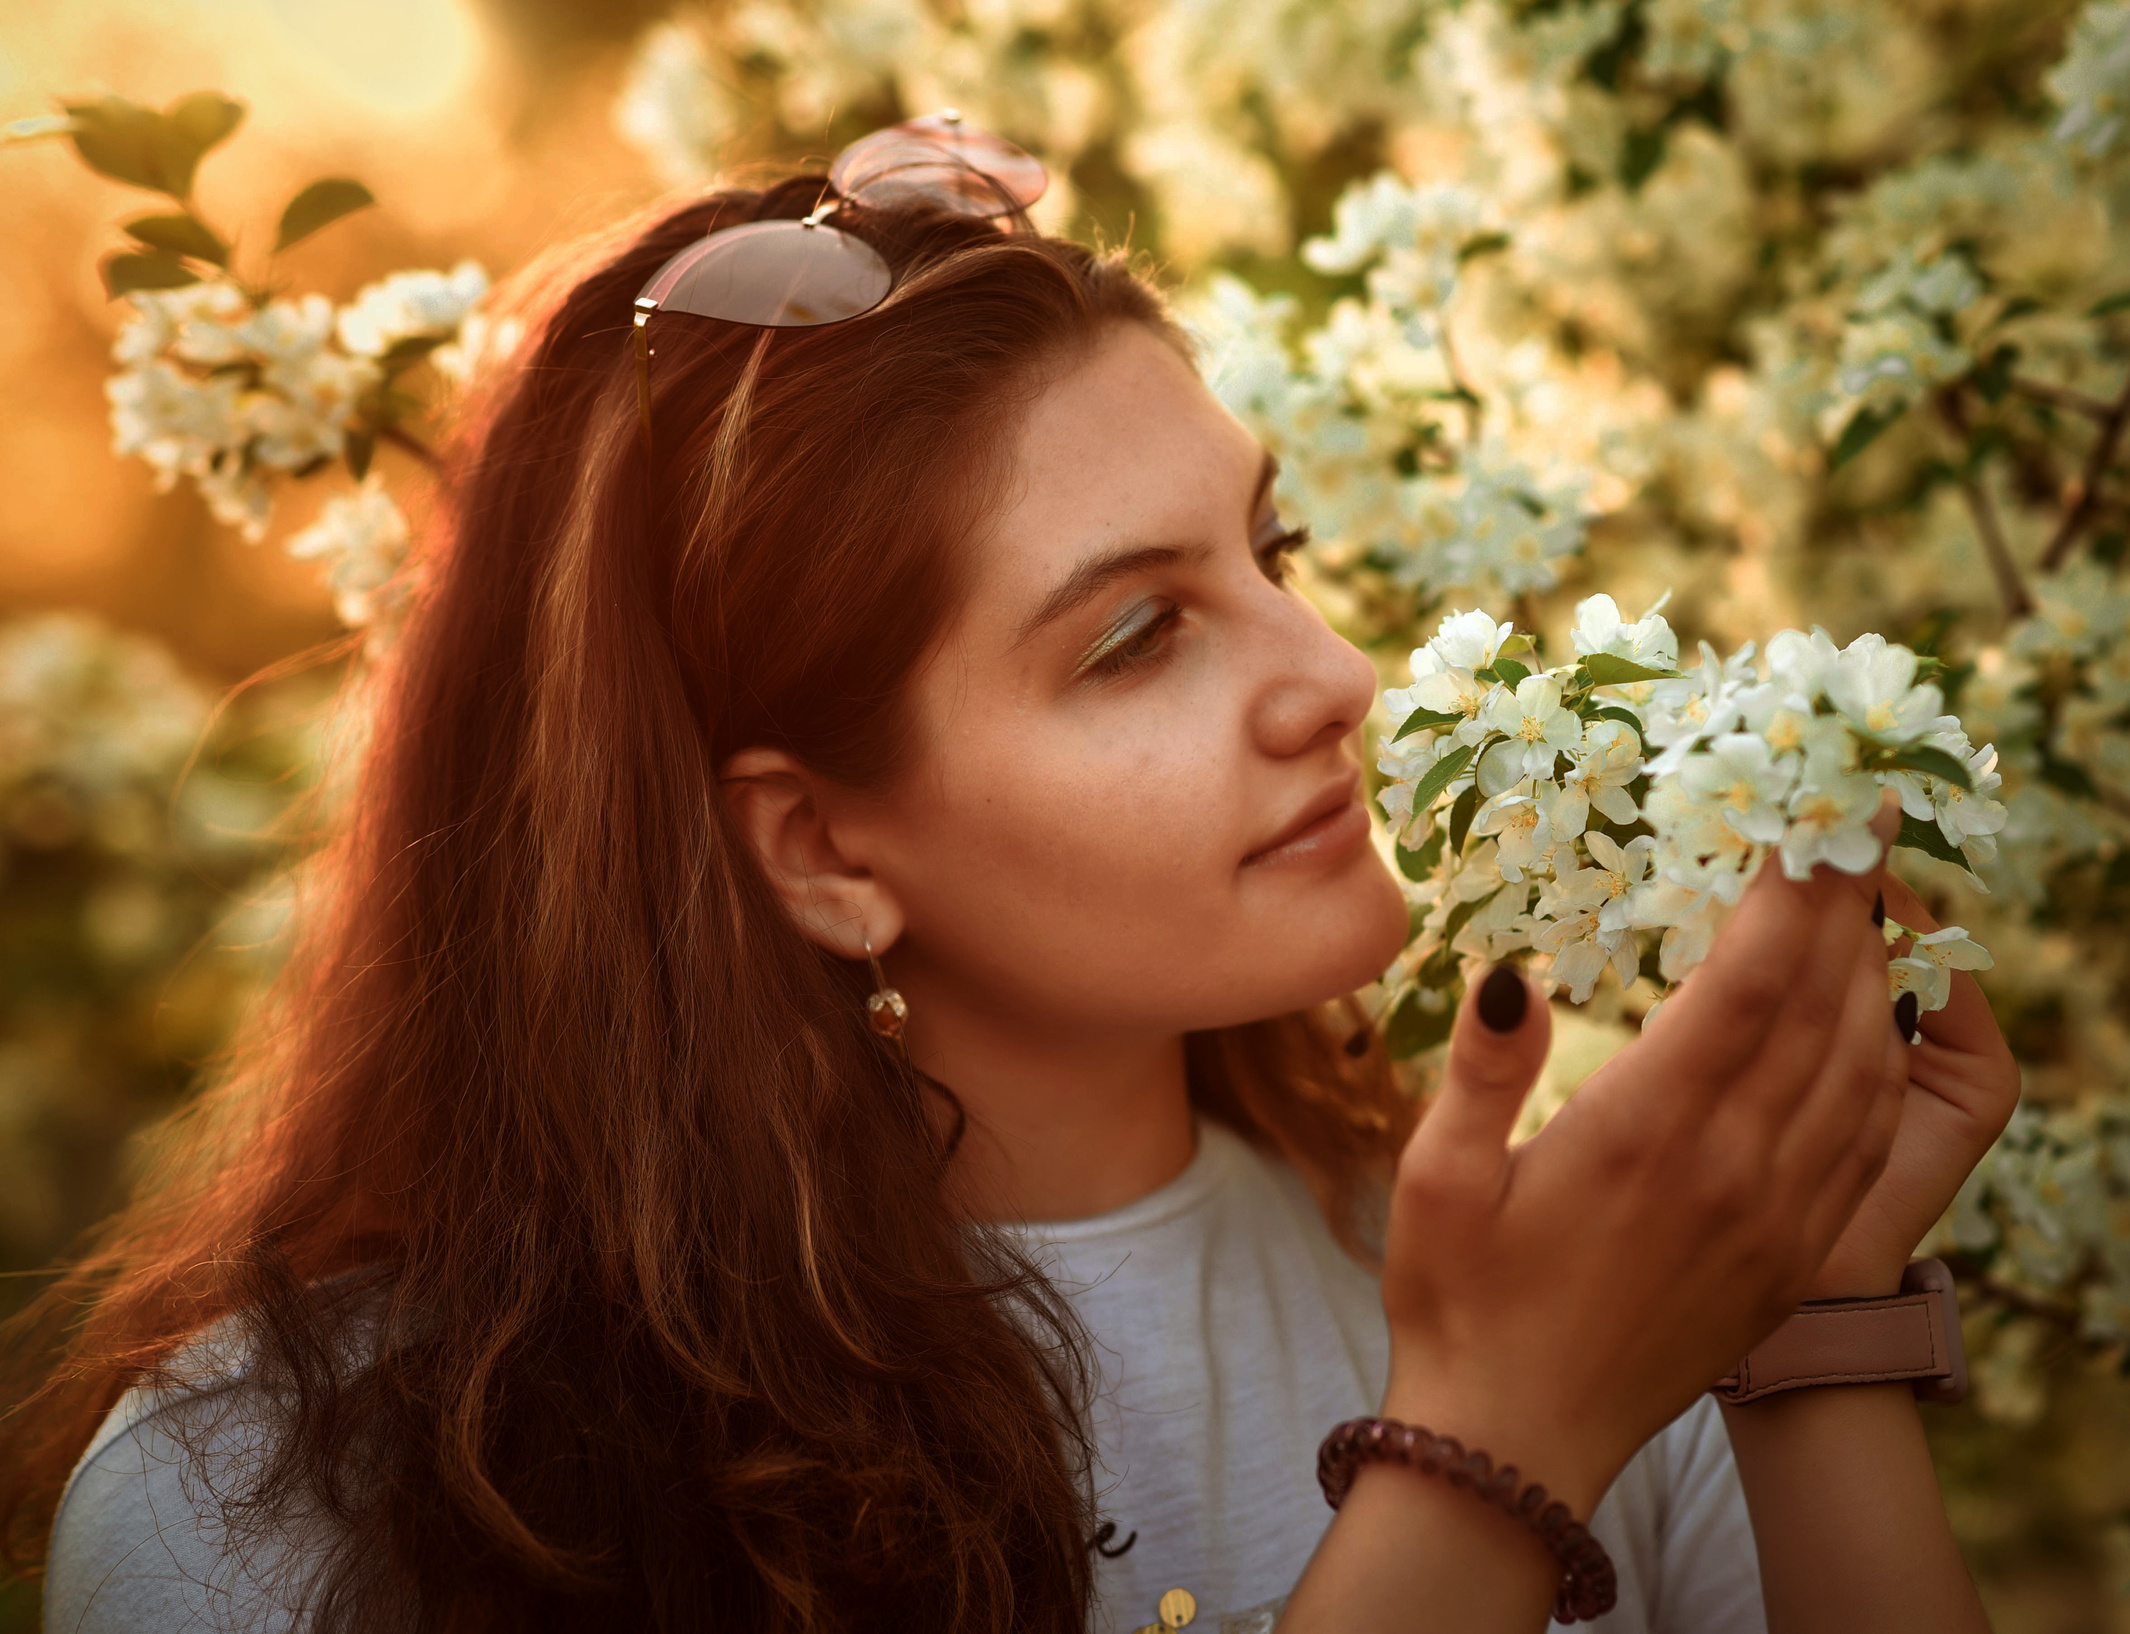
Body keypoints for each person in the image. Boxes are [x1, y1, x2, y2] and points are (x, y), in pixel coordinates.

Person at [3, 127, 2018, 1634]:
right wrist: (1486, 1456)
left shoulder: (1523, 1268)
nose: (1328, 679)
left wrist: (1801, 1312)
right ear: (819, 851)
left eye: (1273, 555)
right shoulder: (269, 1493)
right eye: (1136, 637)